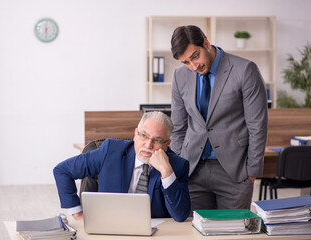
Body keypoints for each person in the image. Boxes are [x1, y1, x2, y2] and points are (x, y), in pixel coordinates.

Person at [170, 25, 268, 211]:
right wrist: (179, 166)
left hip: (235, 172)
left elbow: (257, 126)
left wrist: (252, 173)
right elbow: (178, 127)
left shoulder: (245, 69)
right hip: (192, 171)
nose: (193, 66)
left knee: (233, 233)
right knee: (193, 233)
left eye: (195, 56)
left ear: (206, 43)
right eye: (186, 62)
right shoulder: (179, 76)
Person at [53, 111, 191, 222]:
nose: (148, 145)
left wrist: (166, 172)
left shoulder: (178, 166)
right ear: (135, 134)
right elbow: (62, 170)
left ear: (167, 144)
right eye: (144, 136)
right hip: (109, 228)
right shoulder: (111, 151)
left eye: (158, 140)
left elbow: (180, 215)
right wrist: (77, 213)